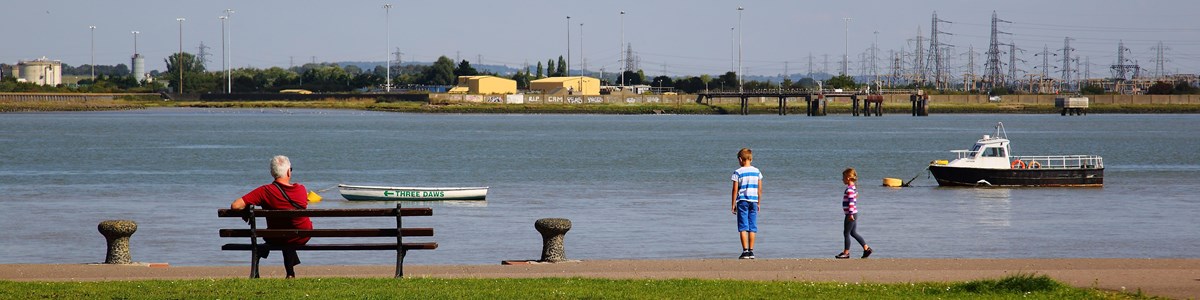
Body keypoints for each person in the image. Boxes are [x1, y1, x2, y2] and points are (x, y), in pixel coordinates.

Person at [230, 155, 312, 278]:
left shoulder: (265, 191)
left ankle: (269, 266)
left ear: (271, 173)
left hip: (276, 237)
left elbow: (235, 205)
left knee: (282, 234)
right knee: (288, 233)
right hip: (302, 235)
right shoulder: (301, 189)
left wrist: (247, 208)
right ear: (289, 171)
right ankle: (290, 273)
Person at [731, 148, 762, 259]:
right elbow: (759, 189)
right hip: (754, 201)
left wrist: (733, 204)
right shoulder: (757, 171)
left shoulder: (738, 172)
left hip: (742, 201)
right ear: (751, 159)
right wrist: (759, 202)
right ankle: (752, 251)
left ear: (740, 159)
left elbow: (735, 189)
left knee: (743, 226)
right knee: (752, 226)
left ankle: (745, 251)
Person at [837, 167, 872, 259]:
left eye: (843, 178)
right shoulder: (853, 188)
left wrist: (850, 214)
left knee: (846, 233)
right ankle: (866, 248)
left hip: (850, 214)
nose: (842, 180)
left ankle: (846, 253)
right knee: (853, 233)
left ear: (848, 178)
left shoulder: (849, 189)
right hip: (852, 213)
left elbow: (851, 202)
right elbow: (854, 197)